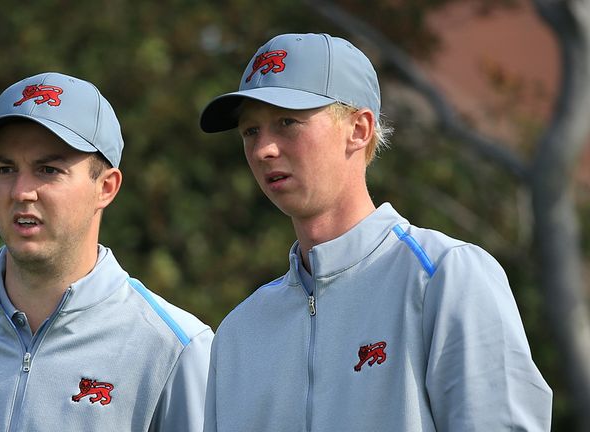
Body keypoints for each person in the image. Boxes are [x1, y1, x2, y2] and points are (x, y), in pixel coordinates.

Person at [199, 33, 552, 431]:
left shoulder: (444, 276)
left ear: (359, 129)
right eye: (250, 131)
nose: (264, 148)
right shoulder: (239, 334)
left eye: (287, 122)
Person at [0, 72, 213, 431]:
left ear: (106, 187)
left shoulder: (174, 349)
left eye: (47, 169)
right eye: (5, 168)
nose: (21, 191)